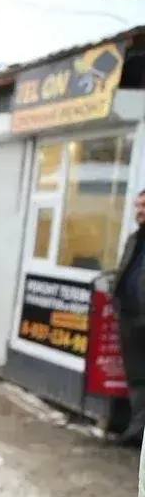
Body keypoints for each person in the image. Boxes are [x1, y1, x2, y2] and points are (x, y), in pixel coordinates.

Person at [113, 189, 145, 443]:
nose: (139, 211)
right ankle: (136, 432)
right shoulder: (134, 239)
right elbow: (126, 269)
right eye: (138, 206)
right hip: (130, 318)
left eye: (144, 206)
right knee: (136, 377)